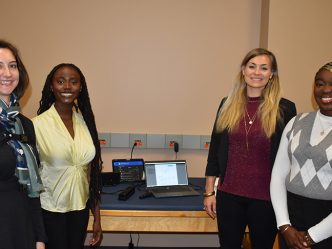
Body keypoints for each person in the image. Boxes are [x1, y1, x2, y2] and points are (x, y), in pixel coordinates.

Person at [203, 48, 297, 249]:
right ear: (243, 71)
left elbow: (290, 158)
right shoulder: (226, 105)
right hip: (229, 197)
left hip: (266, 199)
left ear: (271, 74)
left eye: (264, 68)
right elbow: (215, 149)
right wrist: (209, 192)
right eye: (252, 66)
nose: (257, 72)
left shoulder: (285, 109)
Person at [32, 63, 103, 249]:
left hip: (79, 209)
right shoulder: (37, 126)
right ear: (51, 86)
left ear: (80, 87)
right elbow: (29, 180)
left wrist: (97, 217)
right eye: (61, 81)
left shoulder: (85, 122)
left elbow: (91, 173)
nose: (67, 87)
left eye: (73, 82)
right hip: (49, 210)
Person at [270, 62, 332, 249]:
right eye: (320, 83)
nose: (326, 90)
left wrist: (312, 236)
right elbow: (279, 175)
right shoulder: (296, 122)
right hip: (291, 222)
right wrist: (285, 226)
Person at [0, 40, 47, 249]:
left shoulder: (25, 124)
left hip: (23, 228)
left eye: (12, 65)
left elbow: (32, 190)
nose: (7, 73)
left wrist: (40, 238)